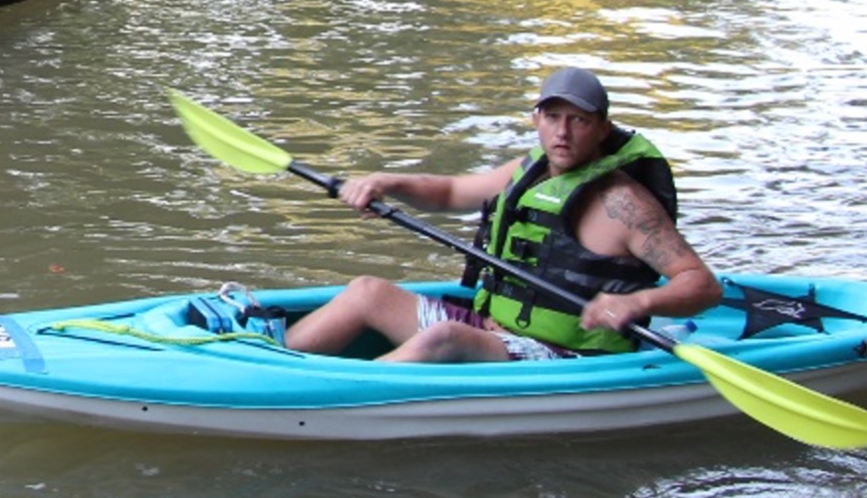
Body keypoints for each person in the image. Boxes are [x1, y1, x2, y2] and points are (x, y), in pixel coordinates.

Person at [281, 67, 722, 363]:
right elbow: (451, 192)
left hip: (564, 357)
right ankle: (277, 364)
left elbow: (701, 284)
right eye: (552, 117)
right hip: (493, 328)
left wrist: (636, 302)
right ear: (537, 119)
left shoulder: (623, 204)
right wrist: (385, 182)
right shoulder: (528, 172)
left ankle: (333, 397)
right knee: (366, 292)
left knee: (444, 338)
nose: (562, 132)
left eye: (578, 121)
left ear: (603, 129)